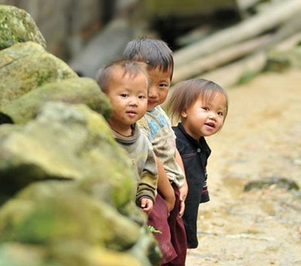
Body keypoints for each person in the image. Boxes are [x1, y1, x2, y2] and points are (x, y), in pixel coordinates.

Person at [123, 38, 188, 266]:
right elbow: (150, 158)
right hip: (154, 189)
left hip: (171, 185)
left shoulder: (158, 111)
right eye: (147, 83)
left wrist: (182, 179)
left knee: (177, 241)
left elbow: (171, 144)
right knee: (158, 242)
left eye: (163, 85)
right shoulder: (136, 118)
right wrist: (169, 193)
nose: (153, 92)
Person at [167, 78, 228, 249]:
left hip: (188, 210)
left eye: (220, 113)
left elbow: (200, 174)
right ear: (185, 110)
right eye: (206, 109)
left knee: (180, 248)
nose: (213, 116)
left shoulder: (202, 146)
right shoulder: (172, 139)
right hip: (170, 209)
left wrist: (201, 194)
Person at [95, 59, 158, 215]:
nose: (134, 102)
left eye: (141, 97)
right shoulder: (98, 134)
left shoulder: (142, 141)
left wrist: (146, 194)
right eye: (124, 95)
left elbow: (148, 172)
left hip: (130, 210)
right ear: (103, 97)